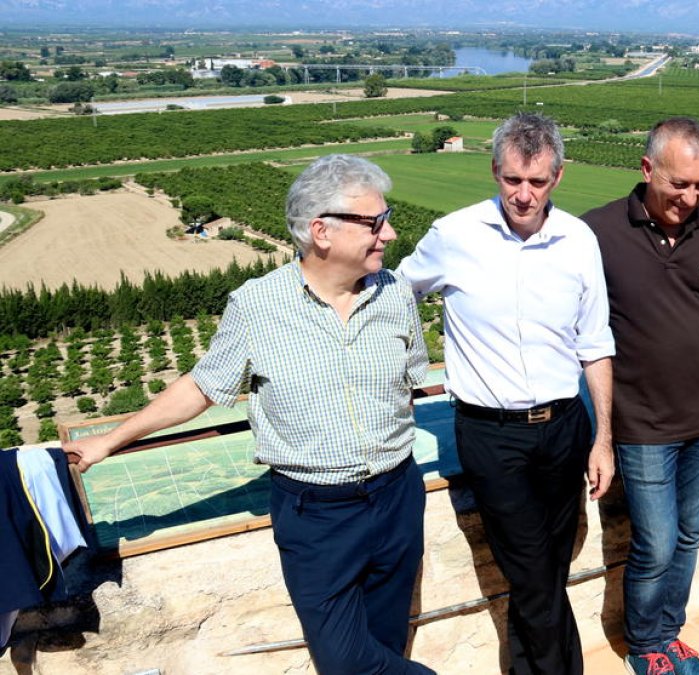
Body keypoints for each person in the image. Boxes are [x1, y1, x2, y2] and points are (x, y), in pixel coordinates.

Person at [64, 154, 436, 674]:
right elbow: (202, 386)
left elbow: (411, 379)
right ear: (321, 232)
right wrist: (110, 439)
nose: (390, 233)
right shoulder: (257, 306)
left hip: (397, 495)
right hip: (317, 513)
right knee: (345, 662)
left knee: (387, 641)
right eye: (376, 222)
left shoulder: (394, 295)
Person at [399, 112, 615, 675]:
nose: (523, 195)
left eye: (537, 182)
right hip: (490, 434)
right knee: (531, 570)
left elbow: (595, 344)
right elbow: (394, 295)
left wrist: (603, 440)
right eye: (512, 179)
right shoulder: (453, 236)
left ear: (557, 178)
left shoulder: (579, 242)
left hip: (565, 426)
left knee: (545, 569)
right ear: (494, 171)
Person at [581, 117, 699, 675]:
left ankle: (668, 635)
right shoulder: (597, 232)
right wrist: (601, 433)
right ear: (646, 168)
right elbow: (581, 335)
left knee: (687, 536)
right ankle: (644, 644)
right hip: (640, 426)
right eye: (679, 184)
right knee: (656, 544)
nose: (690, 197)